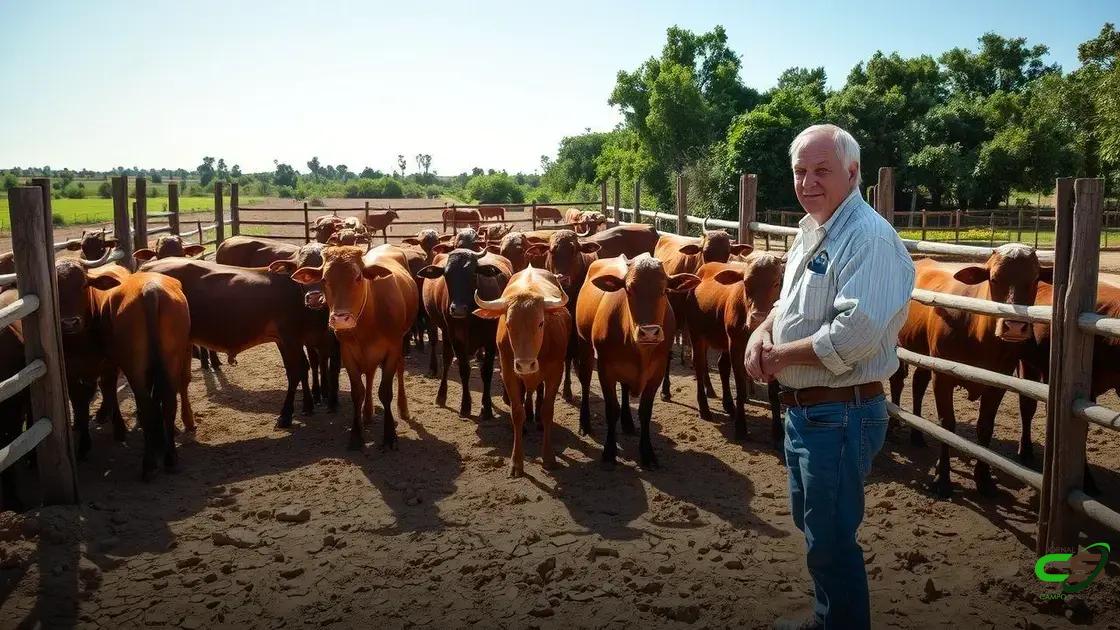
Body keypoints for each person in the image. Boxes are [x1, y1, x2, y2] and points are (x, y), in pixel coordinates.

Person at [745, 124, 915, 630]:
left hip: (841, 411)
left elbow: (855, 333)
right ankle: (828, 617)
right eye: (800, 171)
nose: (808, 181)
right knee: (815, 525)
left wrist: (779, 356)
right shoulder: (811, 232)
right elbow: (787, 304)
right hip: (810, 412)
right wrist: (762, 331)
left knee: (832, 539)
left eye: (822, 170)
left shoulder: (868, 237)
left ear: (853, 172)